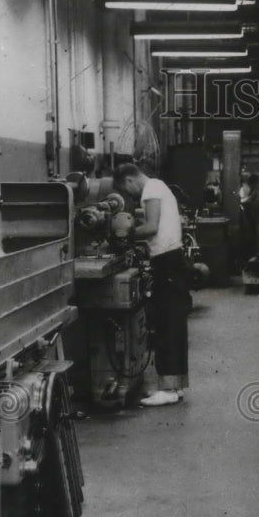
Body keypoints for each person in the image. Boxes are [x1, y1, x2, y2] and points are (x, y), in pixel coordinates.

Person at [113, 163, 189, 407]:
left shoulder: (150, 190)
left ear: (129, 181)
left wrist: (123, 234)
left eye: (128, 191)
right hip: (172, 260)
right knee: (173, 324)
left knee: (167, 325)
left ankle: (168, 390)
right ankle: (173, 386)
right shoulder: (159, 186)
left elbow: (152, 227)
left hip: (167, 262)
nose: (131, 196)